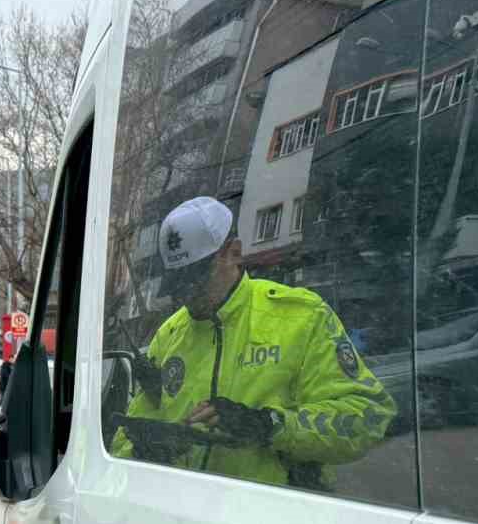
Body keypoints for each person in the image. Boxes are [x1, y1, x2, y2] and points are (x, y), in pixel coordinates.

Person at [115, 196, 395, 488]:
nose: (186, 295)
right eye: (177, 283)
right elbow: (128, 433)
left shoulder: (301, 317)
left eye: (197, 279)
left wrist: (269, 426)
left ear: (234, 253)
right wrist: (147, 448)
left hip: (273, 521)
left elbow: (369, 417)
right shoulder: (170, 334)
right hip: (183, 518)